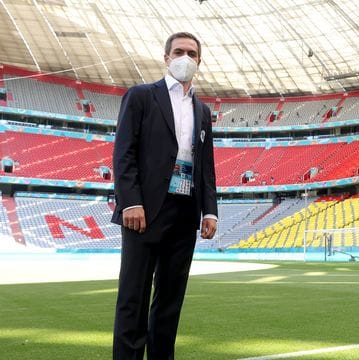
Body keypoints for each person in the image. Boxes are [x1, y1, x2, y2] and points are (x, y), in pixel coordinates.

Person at [111, 31, 218, 360]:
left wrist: (209, 211)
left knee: (170, 302)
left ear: (199, 61)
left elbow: (206, 165)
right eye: (178, 51)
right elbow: (124, 152)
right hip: (143, 211)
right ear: (166, 57)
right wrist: (131, 201)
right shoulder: (142, 96)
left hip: (184, 213)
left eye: (191, 53)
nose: (185, 58)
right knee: (134, 299)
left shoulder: (202, 111)